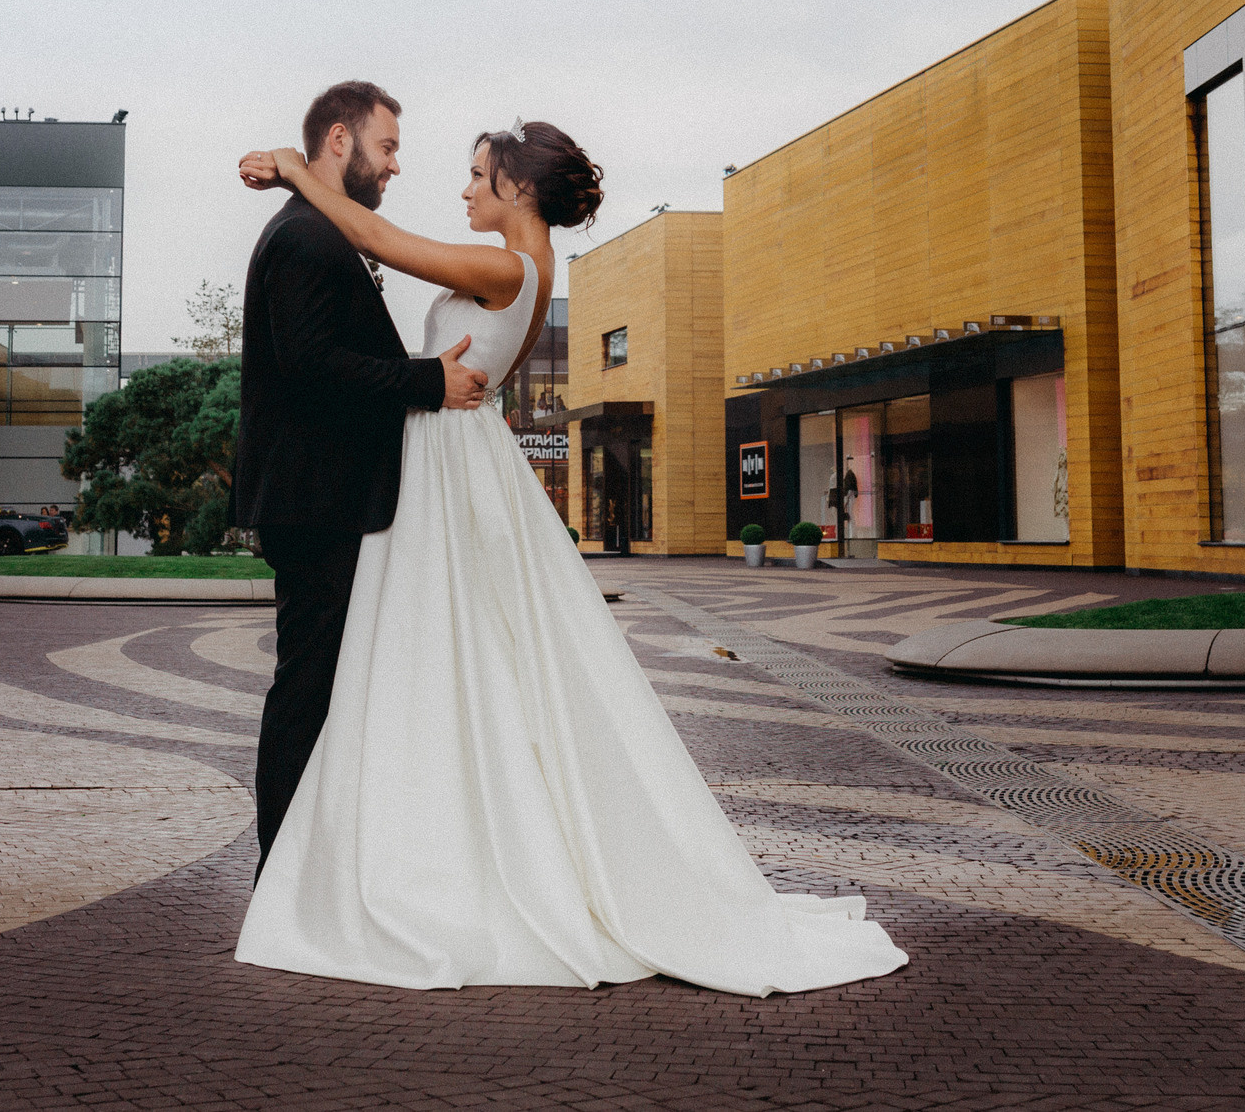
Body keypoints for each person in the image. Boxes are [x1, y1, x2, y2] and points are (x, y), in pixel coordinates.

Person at [231, 119, 906, 998]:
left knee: (449, 656)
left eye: (478, 176)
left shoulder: (513, 267)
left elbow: (376, 236)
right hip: (450, 464)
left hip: (451, 468)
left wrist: (291, 167)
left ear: (517, 188)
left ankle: (445, 858)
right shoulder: (526, 266)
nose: (465, 189)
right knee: (466, 662)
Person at [232, 81, 491, 870]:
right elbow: (312, 368)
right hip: (315, 503)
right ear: (339, 142)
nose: (395, 165)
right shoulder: (307, 237)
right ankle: (282, 862)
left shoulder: (316, 228)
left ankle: (311, 857)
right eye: (387, 148)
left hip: (325, 498)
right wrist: (425, 383)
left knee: (321, 683)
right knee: (307, 685)